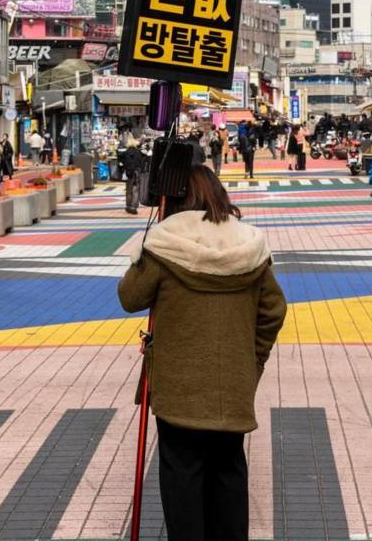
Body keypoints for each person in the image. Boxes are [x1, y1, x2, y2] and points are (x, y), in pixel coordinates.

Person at [117, 165, 287, 540]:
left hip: (178, 387)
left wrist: (144, 244)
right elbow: (273, 310)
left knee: (181, 475)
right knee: (228, 470)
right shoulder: (251, 246)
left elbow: (129, 297)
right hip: (233, 387)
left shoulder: (164, 245)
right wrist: (252, 360)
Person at [120, 137, 147, 214]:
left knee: (128, 190)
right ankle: (134, 206)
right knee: (135, 189)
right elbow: (143, 160)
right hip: (137, 173)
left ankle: (128, 206)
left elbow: (121, 160)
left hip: (129, 173)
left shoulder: (125, 152)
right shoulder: (138, 152)